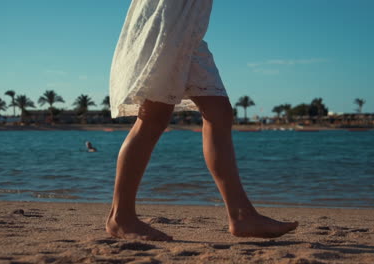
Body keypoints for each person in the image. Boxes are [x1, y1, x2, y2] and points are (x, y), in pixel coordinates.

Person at [106, 0, 298, 241]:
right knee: (153, 117)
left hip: (188, 28)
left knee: (219, 113)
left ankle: (241, 215)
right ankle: (120, 217)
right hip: (167, 21)